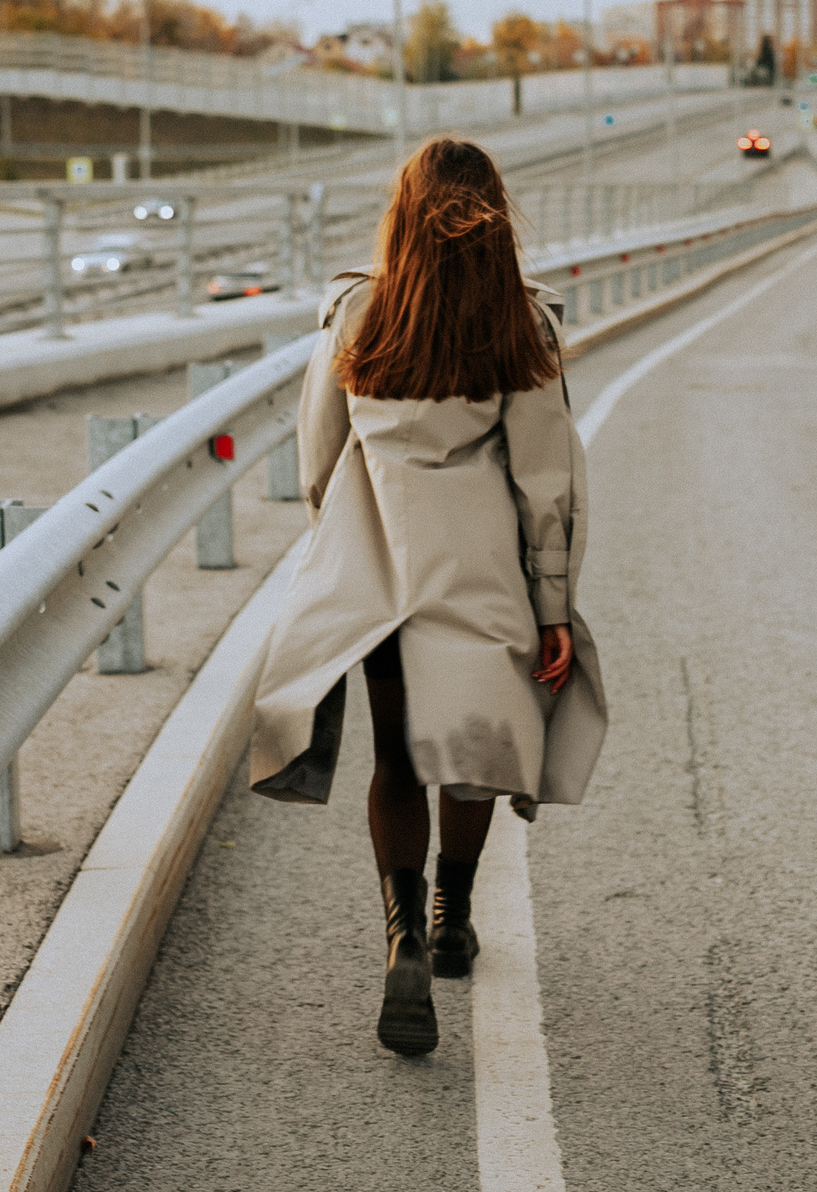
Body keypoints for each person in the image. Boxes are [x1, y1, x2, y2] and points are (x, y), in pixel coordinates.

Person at [249, 136, 607, 1057]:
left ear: (401, 213)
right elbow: (545, 478)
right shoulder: (521, 325)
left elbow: (317, 456)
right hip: (480, 570)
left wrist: (345, 551)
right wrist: (554, 604)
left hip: (374, 570)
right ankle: (453, 915)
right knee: (471, 752)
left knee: (396, 758)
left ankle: (401, 934)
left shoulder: (357, 312)